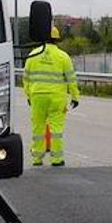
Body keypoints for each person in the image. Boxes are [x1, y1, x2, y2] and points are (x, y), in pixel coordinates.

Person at [22, 25, 80, 166]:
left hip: (37, 96)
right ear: (57, 39)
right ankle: (57, 159)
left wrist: (28, 96)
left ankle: (37, 158)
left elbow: (26, 78)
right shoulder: (63, 56)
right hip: (57, 98)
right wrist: (75, 97)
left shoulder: (33, 54)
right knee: (56, 129)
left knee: (38, 128)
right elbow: (71, 79)